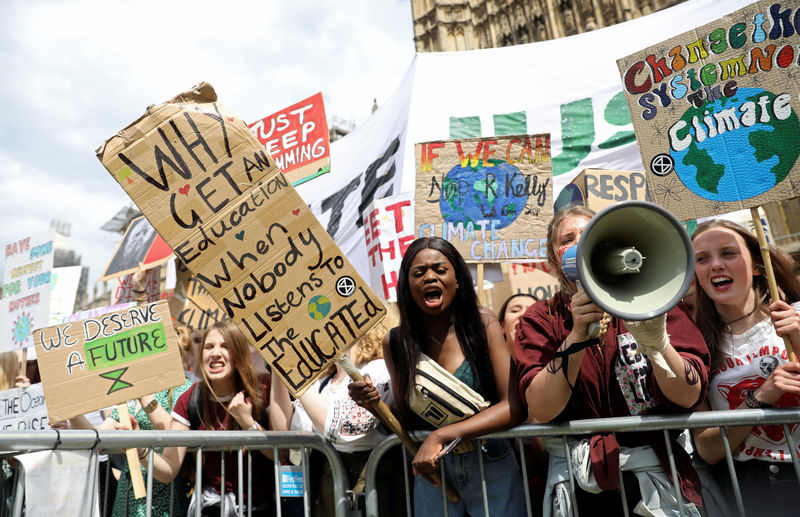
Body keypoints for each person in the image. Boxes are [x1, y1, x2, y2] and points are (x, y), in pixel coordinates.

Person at [514, 205, 710, 516]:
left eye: (589, 233)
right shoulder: (541, 319)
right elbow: (542, 407)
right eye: (568, 238)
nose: (580, 242)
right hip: (583, 487)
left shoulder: (652, 299)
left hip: (656, 476)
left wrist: (657, 345)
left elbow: (689, 394)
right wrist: (576, 336)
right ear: (554, 258)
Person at [350, 236, 527, 517]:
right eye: (419, 273)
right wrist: (374, 404)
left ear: (457, 280)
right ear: (407, 286)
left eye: (440, 270)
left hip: (490, 464)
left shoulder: (484, 325)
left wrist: (441, 436)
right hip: (432, 473)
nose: (430, 277)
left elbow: (513, 407)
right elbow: (408, 416)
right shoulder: (395, 343)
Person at [690, 219, 800, 517]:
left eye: (728, 253)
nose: (715, 265)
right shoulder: (695, 347)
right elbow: (709, 450)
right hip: (753, 489)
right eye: (702, 259)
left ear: (757, 265)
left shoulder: (796, 317)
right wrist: (760, 398)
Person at [270, 308, 402, 517]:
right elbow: (285, 435)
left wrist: (296, 377)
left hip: (371, 491)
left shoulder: (378, 368)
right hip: (329, 492)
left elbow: (341, 427)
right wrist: (278, 365)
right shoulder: (323, 382)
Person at [138, 320, 274, 516]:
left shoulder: (262, 389)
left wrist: (249, 424)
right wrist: (139, 449)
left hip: (261, 508)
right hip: (211, 508)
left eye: (225, 346)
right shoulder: (190, 399)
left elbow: (284, 454)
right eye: (208, 346)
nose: (215, 353)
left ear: (239, 353)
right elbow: (168, 470)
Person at [68, 379, 194, 517]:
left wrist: (143, 394)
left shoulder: (180, 386)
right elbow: (99, 440)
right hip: (128, 491)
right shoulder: (130, 394)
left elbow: (173, 431)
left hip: (163, 491)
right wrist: (72, 413)